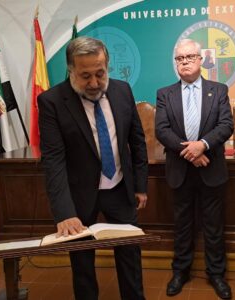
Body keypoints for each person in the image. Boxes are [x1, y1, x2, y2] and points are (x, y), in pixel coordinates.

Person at [38, 37, 148, 300]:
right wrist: (64, 212)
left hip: (119, 188)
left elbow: (137, 141)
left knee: (130, 254)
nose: (95, 83)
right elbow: (53, 160)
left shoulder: (122, 90)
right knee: (82, 261)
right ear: (70, 71)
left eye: (100, 73)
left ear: (107, 65)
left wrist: (141, 186)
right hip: (79, 195)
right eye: (85, 76)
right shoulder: (52, 102)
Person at [155, 38, 234, 299]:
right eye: (179, 58)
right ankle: (180, 272)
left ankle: (216, 275)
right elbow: (162, 130)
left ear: (201, 60)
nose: (185, 62)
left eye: (190, 57)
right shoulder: (164, 93)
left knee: (213, 226)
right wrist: (191, 153)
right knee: (182, 225)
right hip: (180, 171)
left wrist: (202, 145)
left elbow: (225, 125)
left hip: (211, 169)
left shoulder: (219, 89)